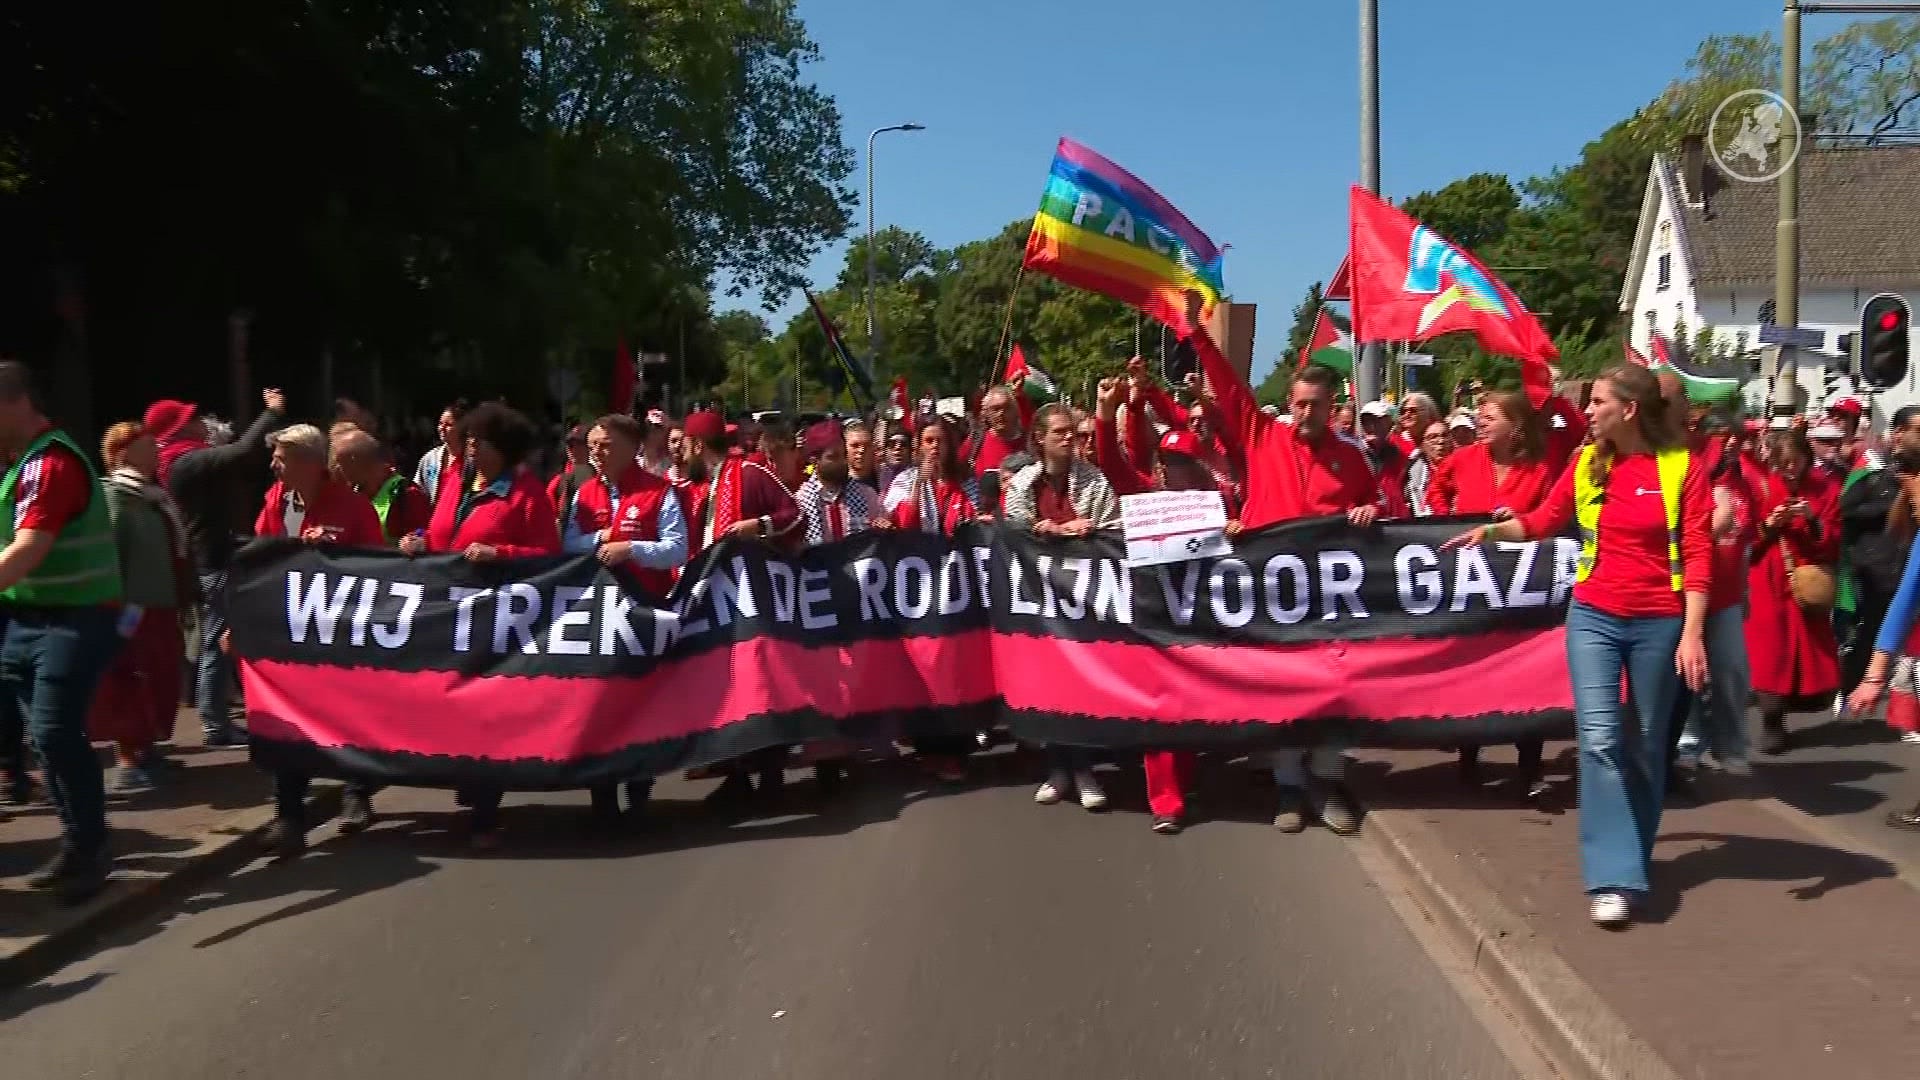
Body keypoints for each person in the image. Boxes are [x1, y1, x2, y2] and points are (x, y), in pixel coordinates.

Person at [1442, 363, 1710, 928]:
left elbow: (1698, 551)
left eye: (1598, 402)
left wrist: (1692, 632)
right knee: (1599, 740)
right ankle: (1611, 877)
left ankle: (1634, 854)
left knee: (1645, 744)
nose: (1587, 412)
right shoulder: (1587, 463)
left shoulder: (1681, 466)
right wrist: (1491, 532)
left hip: (1660, 621)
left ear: (1628, 410)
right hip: (1593, 615)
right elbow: (1543, 520)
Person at [1177, 294, 1380, 836]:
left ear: (1332, 404)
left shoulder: (1353, 457)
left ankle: (1328, 781)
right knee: (1284, 688)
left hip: (1333, 595)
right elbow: (1225, 383)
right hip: (1273, 591)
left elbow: (1386, 510)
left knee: (1337, 689)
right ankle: (1289, 786)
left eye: (1315, 405)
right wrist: (1197, 333)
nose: (1305, 413)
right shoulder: (1263, 436)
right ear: (1287, 405)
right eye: (1298, 405)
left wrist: (1371, 508)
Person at [400, 403, 561, 847]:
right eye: (468, 438)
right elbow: (440, 535)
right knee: (449, 704)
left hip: (496, 619)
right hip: (448, 614)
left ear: (504, 449)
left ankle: (487, 811)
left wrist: (503, 554)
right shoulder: (455, 481)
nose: (469, 446)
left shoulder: (526, 493)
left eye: (480, 441)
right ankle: (472, 784)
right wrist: (418, 543)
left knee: (485, 709)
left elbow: (549, 555)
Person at [0, 362, 127, 902]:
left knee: (54, 732)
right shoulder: (18, 465)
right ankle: (80, 846)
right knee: (46, 740)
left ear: (16, 402)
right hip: (27, 620)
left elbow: (29, 548)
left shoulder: (50, 464)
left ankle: (92, 849)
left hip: (75, 619)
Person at [1092, 376, 1234, 834]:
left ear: (1197, 466)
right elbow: (1112, 463)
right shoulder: (1145, 496)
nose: (1174, 470)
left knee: (1190, 709)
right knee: (1161, 711)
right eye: (1168, 461)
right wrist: (1104, 414)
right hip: (1155, 621)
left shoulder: (1217, 502)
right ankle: (1165, 801)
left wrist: (1238, 530)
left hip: (1201, 621)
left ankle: (1185, 779)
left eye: (1182, 462)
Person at [248, 424, 388, 858]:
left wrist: (334, 554)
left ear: (309, 462)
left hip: (342, 630)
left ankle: (356, 792)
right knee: (287, 717)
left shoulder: (352, 506)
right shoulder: (276, 501)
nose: (274, 465)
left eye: (282, 458)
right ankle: (289, 817)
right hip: (292, 630)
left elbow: (380, 568)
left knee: (348, 715)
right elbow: (259, 557)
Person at [1430, 391, 1556, 801]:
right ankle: (1469, 758)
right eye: (1479, 417)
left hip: (1522, 590)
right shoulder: (1465, 459)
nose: (1480, 423)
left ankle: (1530, 766)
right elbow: (1436, 488)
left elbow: (1552, 518)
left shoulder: (1538, 470)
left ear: (1516, 425)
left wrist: (1519, 522)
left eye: (1489, 417)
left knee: (1526, 675)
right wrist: (1445, 519)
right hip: (1470, 585)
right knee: (1471, 670)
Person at [147, 388, 286, 747]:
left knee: (218, 638)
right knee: (217, 642)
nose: (199, 422)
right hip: (213, 559)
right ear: (177, 429)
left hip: (213, 555)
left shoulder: (186, 458)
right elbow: (239, 454)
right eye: (190, 418)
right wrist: (270, 413)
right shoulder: (184, 462)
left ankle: (218, 717)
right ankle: (215, 725)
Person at [569, 413, 688, 827]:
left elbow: (677, 549)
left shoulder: (659, 492)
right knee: (598, 704)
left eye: (605, 445)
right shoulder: (583, 493)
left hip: (644, 612)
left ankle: (639, 790)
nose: (597, 453)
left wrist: (632, 550)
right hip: (596, 618)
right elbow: (567, 545)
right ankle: (602, 796)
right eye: (593, 445)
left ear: (630, 447)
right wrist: (596, 541)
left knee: (641, 705)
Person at [1004, 402, 1121, 813]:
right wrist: (1047, 532)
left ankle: (1085, 769)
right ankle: (1057, 768)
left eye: (1072, 432)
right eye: (1060, 433)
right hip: (1039, 602)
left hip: (1085, 600)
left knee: (1083, 684)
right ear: (1040, 438)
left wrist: (1081, 532)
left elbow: (1113, 530)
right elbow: (1013, 533)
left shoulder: (1093, 480)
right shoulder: (1022, 484)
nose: (1069, 439)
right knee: (1049, 685)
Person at [91, 422, 196, 795]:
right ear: (122, 454)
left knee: (161, 674)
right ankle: (126, 757)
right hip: (131, 608)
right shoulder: (115, 497)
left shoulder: (154, 497)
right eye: (146, 449)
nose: (155, 455)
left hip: (162, 604)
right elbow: (111, 552)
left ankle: (147, 747)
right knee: (131, 675)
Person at [884, 418, 983, 781]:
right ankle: (928, 750)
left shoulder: (965, 482)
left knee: (955, 666)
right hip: (917, 593)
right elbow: (904, 523)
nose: (933, 447)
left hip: (956, 589)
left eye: (940, 440)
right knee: (922, 667)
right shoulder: (903, 482)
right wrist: (920, 486)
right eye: (927, 440)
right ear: (917, 446)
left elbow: (967, 524)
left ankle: (957, 749)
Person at [1746, 427, 1842, 755]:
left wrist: (1812, 519)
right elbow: (1749, 540)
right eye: (1783, 462)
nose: (1790, 468)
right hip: (1768, 580)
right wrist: (1771, 525)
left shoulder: (1825, 487)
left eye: (1795, 461)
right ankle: (1771, 717)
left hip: (1806, 577)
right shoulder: (1760, 486)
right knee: (1770, 651)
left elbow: (1833, 539)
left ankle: (1794, 705)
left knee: (1807, 652)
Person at [1836, 406, 1920, 721]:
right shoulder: (1870, 476)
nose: (1912, 510)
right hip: (1873, 570)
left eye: (1912, 501)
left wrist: (1874, 677)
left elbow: (1909, 593)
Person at [331, 427, 432, 544]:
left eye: (340, 462)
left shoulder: (406, 494)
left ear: (355, 462)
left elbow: (426, 535)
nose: (337, 468)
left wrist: (416, 538)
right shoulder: (351, 494)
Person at [964, 386, 1027, 481]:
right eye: (995, 409)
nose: (1001, 413)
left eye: (1006, 408)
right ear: (987, 413)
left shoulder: (1029, 442)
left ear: (1015, 410)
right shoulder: (976, 441)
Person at [412, 400, 469, 504]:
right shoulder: (430, 459)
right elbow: (418, 490)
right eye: (440, 423)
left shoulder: (472, 459)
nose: (442, 428)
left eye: (448, 424)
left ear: (462, 428)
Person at [547, 425, 592, 533]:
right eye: (570, 445)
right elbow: (548, 516)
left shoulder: (605, 477)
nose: (572, 449)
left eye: (579, 445)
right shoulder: (558, 481)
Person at [1404, 419, 1451, 518]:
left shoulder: (1463, 467)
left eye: (1445, 435)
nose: (1441, 441)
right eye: (1433, 437)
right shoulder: (1410, 476)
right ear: (1422, 445)